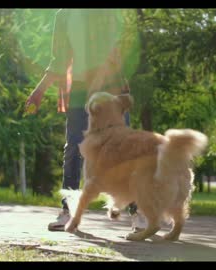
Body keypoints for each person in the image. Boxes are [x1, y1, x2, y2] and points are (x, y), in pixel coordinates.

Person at [25, 9, 144, 232]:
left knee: (124, 149)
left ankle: (137, 211)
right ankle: (68, 211)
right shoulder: (64, 16)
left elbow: (116, 49)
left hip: (111, 88)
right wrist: (39, 91)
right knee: (73, 148)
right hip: (80, 92)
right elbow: (58, 60)